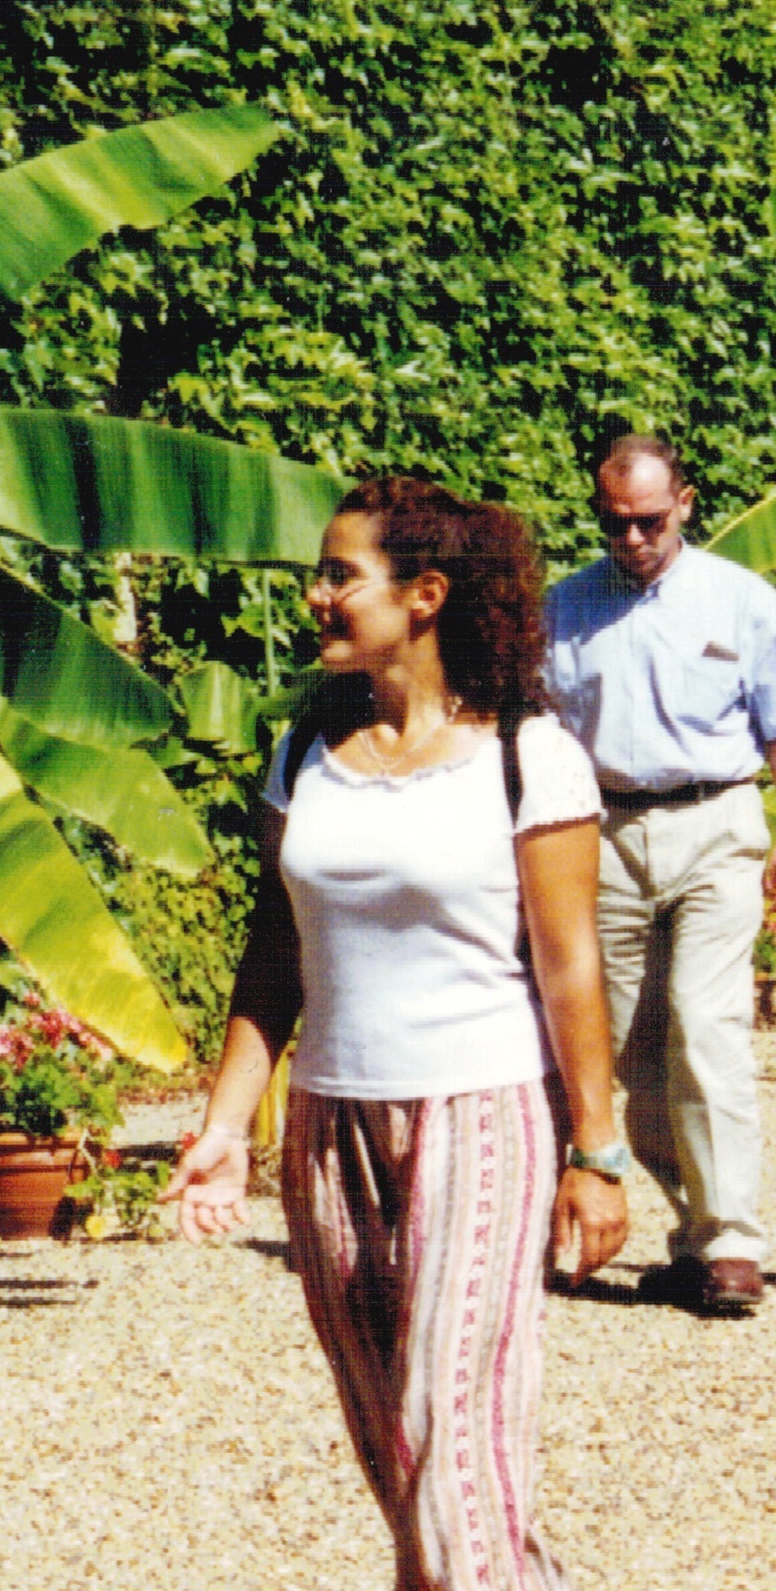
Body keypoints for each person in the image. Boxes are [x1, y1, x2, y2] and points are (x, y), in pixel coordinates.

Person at [168, 476, 627, 1591]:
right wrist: (226, 1126)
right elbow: (274, 948)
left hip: (484, 1113)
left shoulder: (530, 756)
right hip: (330, 1126)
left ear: (425, 594)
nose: (316, 597)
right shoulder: (304, 751)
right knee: (400, 1451)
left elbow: (571, 968)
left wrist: (598, 1153)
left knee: (450, 1428)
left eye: (342, 576)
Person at [541, 433, 775, 1315]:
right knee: (633, 1051)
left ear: (683, 502)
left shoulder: (745, 603)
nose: (632, 539)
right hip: (602, 833)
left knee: (706, 1026)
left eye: (647, 520)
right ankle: (693, 1229)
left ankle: (732, 1243)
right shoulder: (565, 609)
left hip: (717, 822)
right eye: (614, 524)